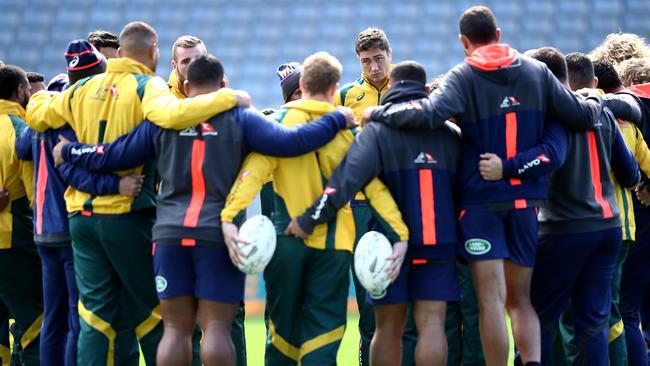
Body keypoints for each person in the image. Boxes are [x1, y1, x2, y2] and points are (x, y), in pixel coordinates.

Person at [53, 53, 355, 365]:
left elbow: (113, 155)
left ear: (184, 86)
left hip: (169, 235)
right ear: (223, 85)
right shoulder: (241, 118)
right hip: (216, 235)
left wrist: (69, 150)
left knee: (174, 329)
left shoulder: (162, 121)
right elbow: (292, 142)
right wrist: (335, 118)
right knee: (217, 328)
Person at [363, 6, 608, 366]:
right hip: (526, 204)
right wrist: (598, 98)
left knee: (491, 300)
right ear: (498, 33)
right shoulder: (538, 71)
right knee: (521, 300)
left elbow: (429, 114)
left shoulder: (463, 75)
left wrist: (380, 113)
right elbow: (581, 115)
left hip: (480, 207)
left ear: (464, 43)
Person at [25, 21, 250, 365]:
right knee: (157, 314)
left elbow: (38, 115)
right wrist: (228, 97)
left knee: (94, 318)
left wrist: (38, 94)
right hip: (127, 216)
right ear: (155, 52)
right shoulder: (148, 87)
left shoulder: (80, 89)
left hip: (81, 222)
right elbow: (173, 115)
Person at [221, 51, 409, 366]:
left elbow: (251, 175)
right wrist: (400, 234)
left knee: (282, 336)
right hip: (332, 248)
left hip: (286, 244)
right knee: (323, 336)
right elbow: (375, 188)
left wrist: (229, 218)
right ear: (335, 88)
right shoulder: (346, 133)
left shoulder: (276, 124)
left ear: (302, 84)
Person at [289, 60, 460, 366]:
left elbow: (345, 180)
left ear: (392, 87)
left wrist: (309, 219)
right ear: (424, 91)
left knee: (387, 327)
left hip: (387, 242)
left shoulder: (377, 131)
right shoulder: (450, 133)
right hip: (439, 240)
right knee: (432, 324)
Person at [525, 51, 638, 365]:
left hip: (563, 227)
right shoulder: (600, 110)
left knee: (539, 319)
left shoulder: (544, 115)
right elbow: (630, 173)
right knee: (593, 323)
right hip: (607, 228)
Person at [335, 27, 417, 366]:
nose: (373, 68)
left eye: (378, 59)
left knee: (407, 298)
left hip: (400, 205)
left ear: (390, 55)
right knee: (368, 293)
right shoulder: (345, 96)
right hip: (359, 206)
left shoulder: (410, 92)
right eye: (366, 61)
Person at [0, 64, 44, 366]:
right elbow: (35, 195)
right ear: (19, 92)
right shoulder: (19, 130)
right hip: (13, 238)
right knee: (35, 319)